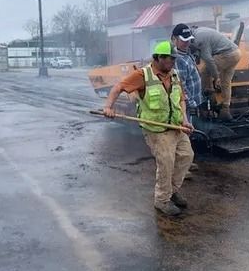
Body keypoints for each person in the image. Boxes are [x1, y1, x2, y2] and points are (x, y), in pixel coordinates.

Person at [103, 41, 194, 216]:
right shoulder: (142, 75)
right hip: (156, 130)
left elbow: (181, 99)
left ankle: (172, 191)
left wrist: (184, 120)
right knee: (166, 163)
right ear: (158, 58)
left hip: (175, 126)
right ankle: (162, 200)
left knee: (186, 156)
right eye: (168, 60)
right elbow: (118, 87)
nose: (172, 63)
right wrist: (108, 107)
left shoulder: (174, 75)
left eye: (173, 59)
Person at [171, 23, 203, 175]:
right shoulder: (177, 59)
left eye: (189, 39)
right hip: (185, 104)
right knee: (182, 135)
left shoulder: (186, 54)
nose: (187, 42)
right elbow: (181, 85)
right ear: (174, 39)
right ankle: (181, 167)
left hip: (192, 102)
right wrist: (189, 103)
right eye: (183, 39)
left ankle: (186, 162)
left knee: (187, 133)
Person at [190, 26, 241, 121]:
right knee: (226, 82)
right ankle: (225, 110)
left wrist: (216, 77)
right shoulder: (202, 31)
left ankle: (209, 99)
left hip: (227, 54)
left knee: (205, 72)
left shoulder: (198, 38)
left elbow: (209, 60)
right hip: (236, 53)